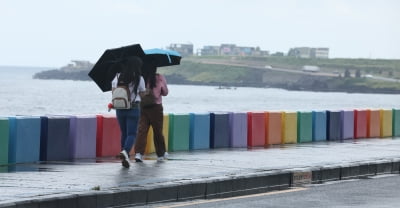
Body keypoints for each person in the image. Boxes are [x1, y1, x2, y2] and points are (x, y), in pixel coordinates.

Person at [111, 56, 145, 168]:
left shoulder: (117, 77)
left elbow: (113, 92)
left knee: (124, 133)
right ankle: (125, 152)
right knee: (131, 133)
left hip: (120, 108)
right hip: (133, 108)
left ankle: (124, 156)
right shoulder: (139, 78)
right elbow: (142, 94)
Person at [134, 62, 169, 162]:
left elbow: (138, 91)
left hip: (143, 106)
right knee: (157, 131)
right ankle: (160, 155)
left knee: (142, 130)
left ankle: (138, 154)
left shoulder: (141, 78)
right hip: (156, 107)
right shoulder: (159, 77)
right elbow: (165, 92)